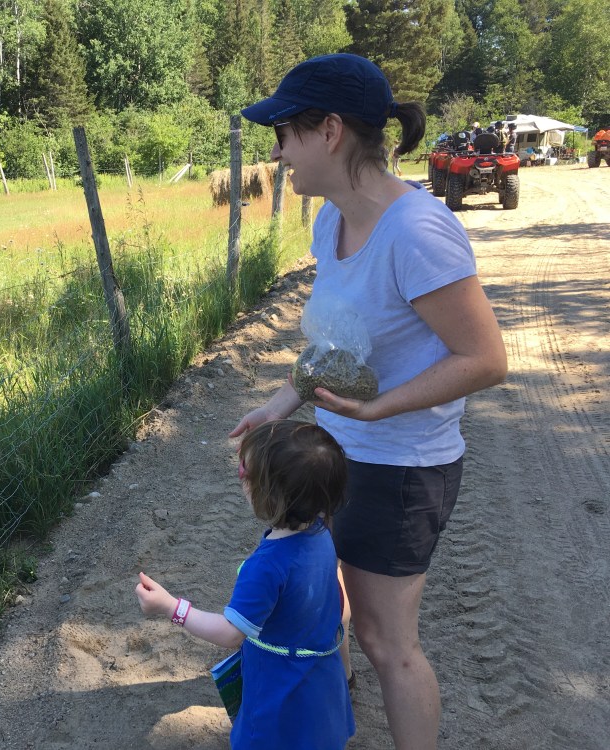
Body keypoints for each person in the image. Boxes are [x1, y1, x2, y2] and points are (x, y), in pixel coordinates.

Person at [232, 53, 508, 750]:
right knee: (331, 607)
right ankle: (334, 720)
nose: (276, 152)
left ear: (329, 131)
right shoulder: (331, 222)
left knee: (389, 642)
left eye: (284, 134)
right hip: (339, 455)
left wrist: (380, 410)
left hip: (403, 470)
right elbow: (336, 349)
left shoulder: (416, 232)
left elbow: (485, 359)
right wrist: (279, 406)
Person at [135, 420, 355, 750]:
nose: (240, 475)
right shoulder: (322, 533)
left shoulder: (266, 566)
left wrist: (171, 608)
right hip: (321, 681)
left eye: (246, 471)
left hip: (281, 688)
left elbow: (230, 633)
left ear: (270, 495)